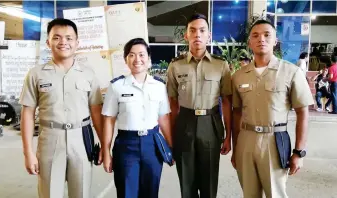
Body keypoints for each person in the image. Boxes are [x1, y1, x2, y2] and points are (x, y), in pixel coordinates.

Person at [19, 18, 103, 198]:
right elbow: (27, 113)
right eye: (56, 38)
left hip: (81, 139)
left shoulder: (88, 74)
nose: (63, 42)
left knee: (81, 193)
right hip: (50, 139)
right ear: (48, 42)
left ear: (77, 43)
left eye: (69, 38)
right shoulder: (35, 74)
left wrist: (104, 145)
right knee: (50, 193)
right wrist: (28, 153)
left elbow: (96, 111)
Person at [231, 19, 314, 198]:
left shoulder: (291, 72)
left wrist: (299, 152)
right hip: (246, 139)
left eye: (267, 35)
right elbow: (236, 112)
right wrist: (235, 147)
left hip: (275, 141)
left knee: (275, 194)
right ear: (249, 43)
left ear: (275, 40)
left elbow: (302, 112)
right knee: (249, 194)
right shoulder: (238, 76)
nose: (261, 39)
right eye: (256, 35)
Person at [166, 13, 232, 198]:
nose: (197, 35)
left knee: (209, 179)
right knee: (187, 180)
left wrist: (228, 136)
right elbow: (172, 104)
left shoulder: (220, 65)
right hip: (184, 122)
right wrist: (171, 137)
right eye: (192, 31)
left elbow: (226, 102)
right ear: (186, 35)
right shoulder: (175, 66)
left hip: (211, 123)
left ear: (208, 35)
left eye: (202, 31)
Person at [101, 38, 173, 198]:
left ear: (149, 59)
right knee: (127, 192)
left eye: (141, 55)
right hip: (126, 145)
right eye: (132, 55)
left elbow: (164, 119)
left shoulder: (159, 86)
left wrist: (171, 146)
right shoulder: (116, 87)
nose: (137, 59)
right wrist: (106, 151)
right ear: (126, 59)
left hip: (152, 144)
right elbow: (108, 120)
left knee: (151, 191)